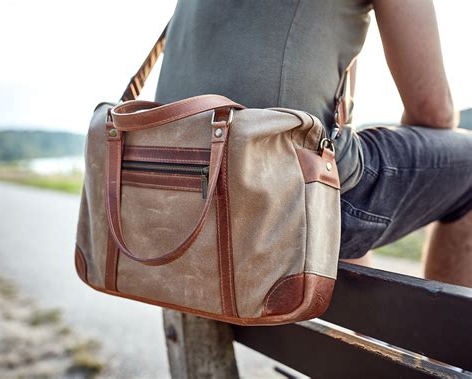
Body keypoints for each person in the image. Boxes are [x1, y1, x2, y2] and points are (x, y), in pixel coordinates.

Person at [155, 0, 472, 287]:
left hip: (174, 191)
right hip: (274, 200)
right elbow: (433, 110)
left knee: (337, 164)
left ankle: (355, 336)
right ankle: (441, 350)